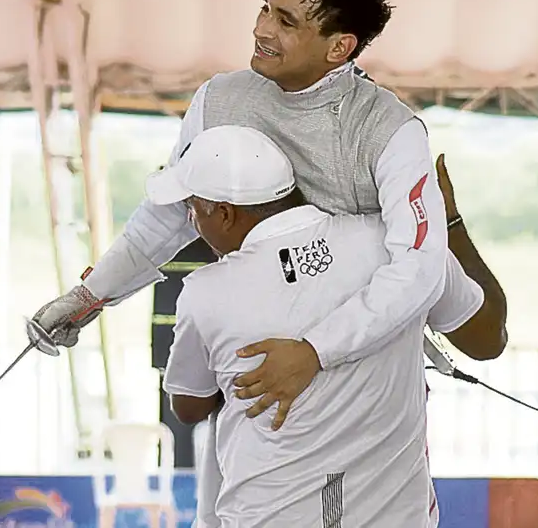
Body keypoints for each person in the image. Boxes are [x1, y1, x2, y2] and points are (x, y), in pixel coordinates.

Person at [30, 0, 508, 527]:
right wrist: (89, 298)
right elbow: (168, 216)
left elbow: (420, 270)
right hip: (265, 410)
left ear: (340, 46)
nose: (262, 29)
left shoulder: (389, 131)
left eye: (287, 21)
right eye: (264, 8)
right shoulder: (221, 100)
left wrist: (314, 352)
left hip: (365, 385)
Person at [157, 124, 434, 527]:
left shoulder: (208, 291)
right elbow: (482, 331)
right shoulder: (390, 243)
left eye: (194, 210)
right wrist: (446, 217)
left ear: (224, 213)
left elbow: (189, 405)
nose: (192, 221)